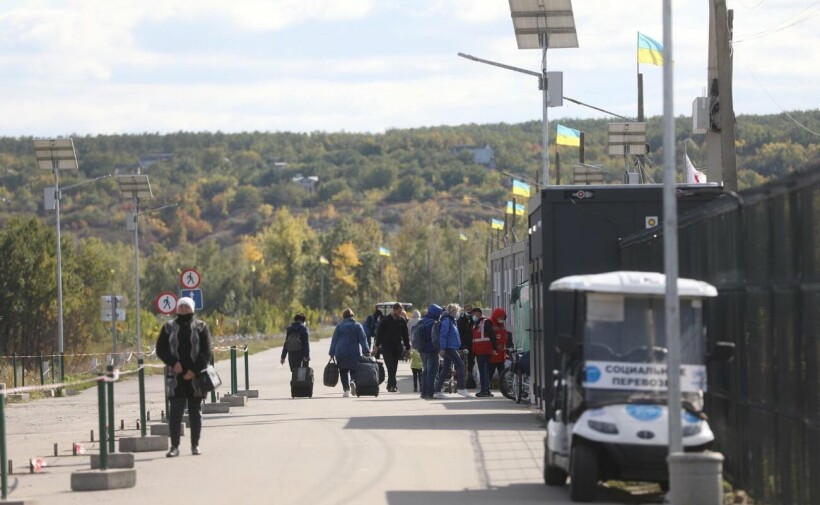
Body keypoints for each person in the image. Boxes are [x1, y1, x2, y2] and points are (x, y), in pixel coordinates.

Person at [155, 296, 212, 457]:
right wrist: (174, 363)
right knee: (175, 413)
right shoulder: (168, 327)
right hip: (175, 378)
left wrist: (193, 370)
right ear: (177, 308)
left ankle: (195, 445)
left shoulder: (201, 327)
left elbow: (206, 352)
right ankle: (174, 446)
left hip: (196, 377)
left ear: (192, 308)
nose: (184, 309)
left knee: (195, 412)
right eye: (181, 306)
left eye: (187, 306)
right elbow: (161, 349)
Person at [328, 308, 370, 397]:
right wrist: (366, 351)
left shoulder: (339, 326)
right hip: (354, 352)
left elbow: (334, 340)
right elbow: (363, 339)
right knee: (354, 370)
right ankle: (353, 381)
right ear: (352, 316)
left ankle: (346, 390)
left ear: (343, 317)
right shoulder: (357, 326)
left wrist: (331, 352)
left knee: (343, 371)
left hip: (340, 353)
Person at [433, 304, 470, 398]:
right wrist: (443, 348)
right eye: (456, 311)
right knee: (460, 364)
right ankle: (461, 388)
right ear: (452, 311)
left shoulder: (452, 321)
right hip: (449, 347)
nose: (458, 313)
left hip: (451, 347)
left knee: (445, 369)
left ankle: (437, 391)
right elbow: (443, 335)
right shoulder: (447, 320)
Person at [374, 302, 410, 392]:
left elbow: (405, 335)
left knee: (394, 367)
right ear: (394, 310)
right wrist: (377, 346)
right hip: (386, 347)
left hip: (397, 347)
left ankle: (389, 385)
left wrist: (408, 347)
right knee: (390, 367)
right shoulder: (385, 320)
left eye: (401, 311)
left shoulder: (402, 321)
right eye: (399, 310)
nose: (400, 312)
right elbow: (379, 334)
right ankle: (393, 386)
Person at [470, 307, 498, 397]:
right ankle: (486, 390)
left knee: (484, 372)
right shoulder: (476, 324)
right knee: (484, 371)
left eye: (473, 314)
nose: (472, 316)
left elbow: (492, 336)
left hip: (484, 351)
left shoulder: (485, 322)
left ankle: (484, 391)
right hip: (479, 351)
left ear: (478, 314)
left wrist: (494, 348)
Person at [417, 304, 443, 399]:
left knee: (425, 371)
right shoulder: (434, 323)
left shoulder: (421, 321)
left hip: (422, 350)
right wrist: (438, 349)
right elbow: (435, 338)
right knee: (432, 372)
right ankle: (429, 393)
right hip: (431, 350)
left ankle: (423, 392)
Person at [488, 308, 510, 390]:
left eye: (503, 318)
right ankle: (487, 387)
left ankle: (504, 387)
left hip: (501, 353)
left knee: (502, 371)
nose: (501, 320)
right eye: (500, 318)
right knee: (490, 371)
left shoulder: (501, 325)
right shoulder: (490, 324)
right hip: (493, 353)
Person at [457, 303, 475, 388]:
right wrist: (462, 345)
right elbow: (460, 334)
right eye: (467, 309)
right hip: (463, 345)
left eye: (470, 310)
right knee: (463, 363)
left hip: (472, 345)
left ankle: (469, 380)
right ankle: (463, 381)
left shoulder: (473, 319)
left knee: (471, 362)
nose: (469, 311)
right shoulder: (460, 320)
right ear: (464, 309)